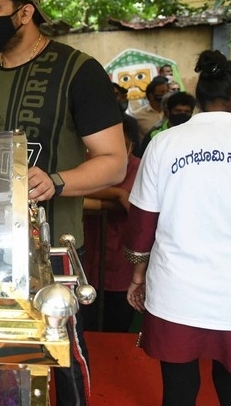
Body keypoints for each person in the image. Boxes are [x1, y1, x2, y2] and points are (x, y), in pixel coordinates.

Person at [0, 0, 127, 406]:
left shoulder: (78, 70)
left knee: (64, 355)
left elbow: (114, 163)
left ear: (25, 12)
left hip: (53, 246)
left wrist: (56, 181)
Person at [125, 50, 231, 406]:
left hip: (177, 288)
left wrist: (138, 275)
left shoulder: (165, 143)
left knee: (178, 387)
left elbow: (143, 220)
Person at [80, 115, 140, 333]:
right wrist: (117, 193)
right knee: (85, 328)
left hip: (120, 266)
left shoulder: (139, 168)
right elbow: (73, 189)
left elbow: (133, 202)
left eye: (122, 146)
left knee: (116, 327)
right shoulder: (86, 164)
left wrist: (90, 197)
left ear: (131, 143)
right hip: (87, 263)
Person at [137, 91, 196, 157]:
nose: (182, 114)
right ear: (168, 112)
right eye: (178, 111)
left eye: (186, 112)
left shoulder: (196, 135)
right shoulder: (154, 135)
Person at [129, 76, 169, 140]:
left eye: (167, 92)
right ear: (151, 96)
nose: (166, 95)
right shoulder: (137, 116)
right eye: (162, 92)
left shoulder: (171, 113)